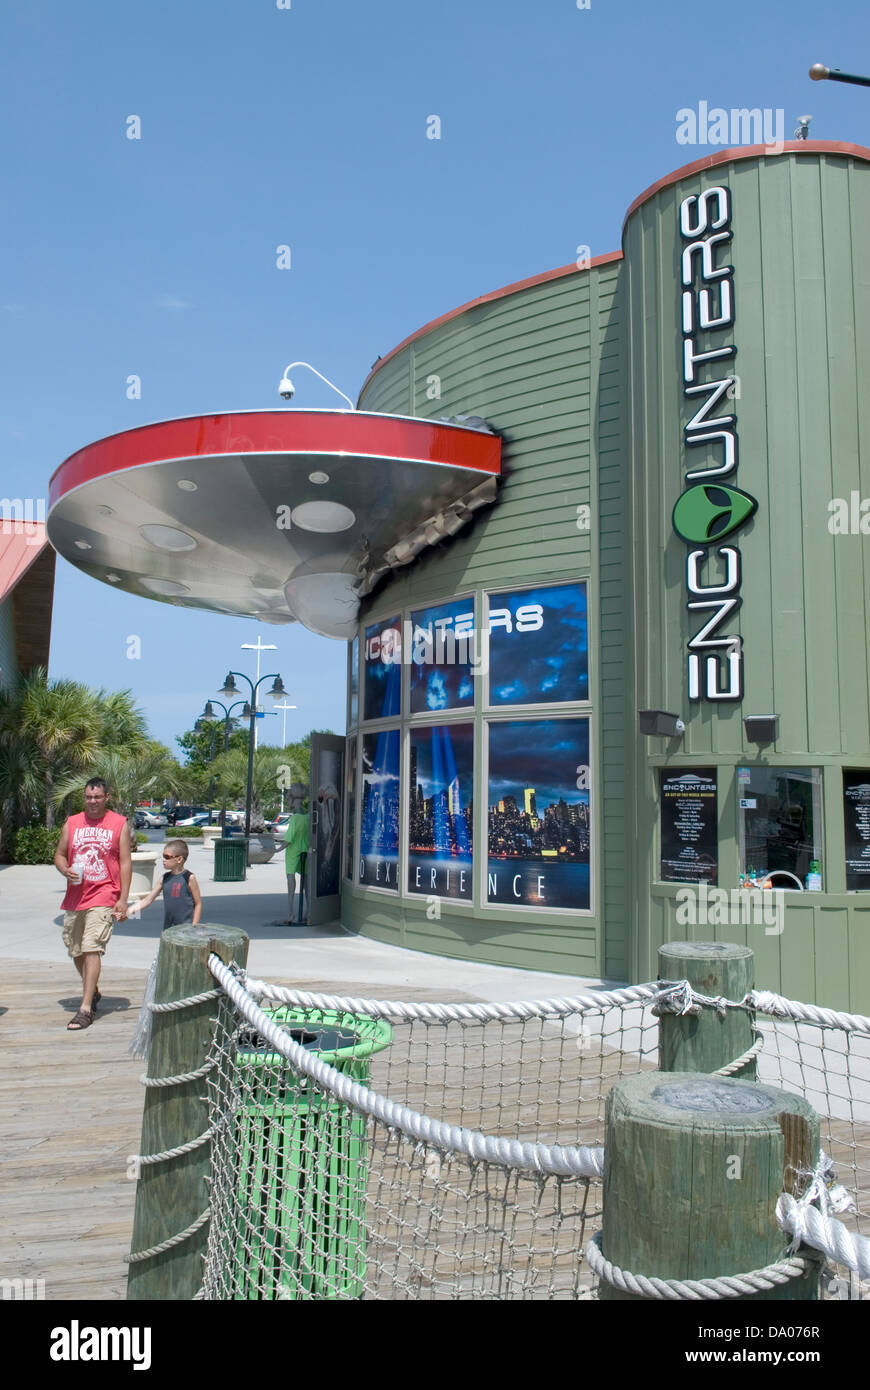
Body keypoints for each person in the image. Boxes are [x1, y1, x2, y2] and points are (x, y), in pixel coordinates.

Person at [54, 778, 131, 1031]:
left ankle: (85, 1009)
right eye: (88, 797)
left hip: (105, 893)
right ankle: (94, 990)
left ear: (106, 797)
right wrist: (65, 870)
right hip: (76, 896)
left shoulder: (119, 823)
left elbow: (125, 863)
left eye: (97, 797)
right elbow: (60, 854)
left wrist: (122, 899)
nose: (92, 801)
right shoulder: (72, 823)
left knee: (91, 947)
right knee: (75, 950)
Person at [135, 839, 202, 929]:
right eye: (163, 856)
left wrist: (194, 927)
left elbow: (198, 904)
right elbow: (147, 900)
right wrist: (129, 910)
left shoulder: (189, 878)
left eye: (167, 857)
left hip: (186, 929)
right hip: (168, 929)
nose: (164, 860)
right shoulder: (164, 878)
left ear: (179, 859)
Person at [281, 808, 309, 924]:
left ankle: (290, 913)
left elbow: (289, 837)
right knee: (306, 880)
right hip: (305, 850)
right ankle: (309, 911)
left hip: (293, 852)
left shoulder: (294, 818)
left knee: (290, 879)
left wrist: (278, 849)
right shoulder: (309, 817)